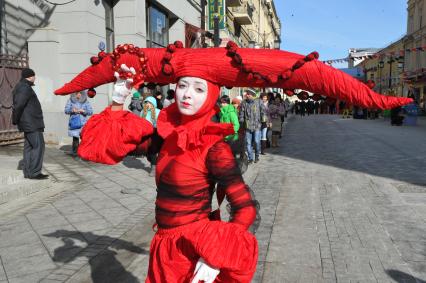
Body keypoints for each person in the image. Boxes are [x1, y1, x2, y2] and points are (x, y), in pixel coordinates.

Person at [54, 41, 411, 283]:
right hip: (162, 249)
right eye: (182, 86)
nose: (187, 94)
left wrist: (214, 259)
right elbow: (109, 149)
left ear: (212, 95)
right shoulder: (164, 135)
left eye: (198, 88)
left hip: (194, 251)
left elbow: (246, 208)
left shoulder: (215, 148)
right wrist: (117, 101)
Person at [12, 68, 48, 180]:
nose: (35, 77)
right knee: (38, 146)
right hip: (31, 123)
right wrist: (15, 119)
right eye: (34, 75)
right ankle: (35, 172)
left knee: (29, 147)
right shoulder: (24, 88)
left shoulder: (22, 86)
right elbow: (18, 105)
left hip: (29, 123)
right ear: (30, 76)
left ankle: (28, 172)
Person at [64, 90, 93, 155]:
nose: (79, 94)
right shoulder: (70, 100)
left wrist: (83, 111)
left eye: (80, 93)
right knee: (75, 138)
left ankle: (84, 152)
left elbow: (90, 112)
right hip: (74, 123)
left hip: (83, 123)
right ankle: (75, 152)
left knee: (84, 138)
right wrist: (72, 110)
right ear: (74, 94)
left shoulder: (85, 101)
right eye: (77, 93)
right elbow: (66, 110)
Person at [239, 89, 263, 164]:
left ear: (252, 95)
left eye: (248, 94)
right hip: (247, 126)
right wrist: (242, 121)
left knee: (256, 141)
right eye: (247, 94)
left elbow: (263, 111)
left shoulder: (258, 101)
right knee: (248, 143)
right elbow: (241, 113)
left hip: (257, 126)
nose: (247, 95)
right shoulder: (244, 103)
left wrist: (264, 120)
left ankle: (257, 155)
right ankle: (250, 158)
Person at [140, 95, 161, 176]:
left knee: (153, 151)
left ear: (153, 104)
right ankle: (155, 162)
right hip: (145, 134)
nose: (147, 104)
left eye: (149, 103)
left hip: (155, 134)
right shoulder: (143, 112)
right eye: (146, 102)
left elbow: (160, 122)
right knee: (147, 152)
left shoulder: (157, 111)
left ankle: (153, 168)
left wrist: (154, 125)